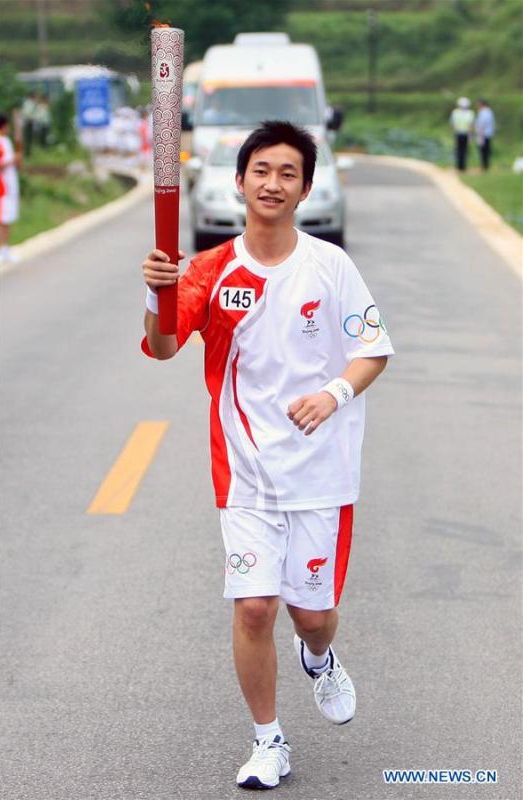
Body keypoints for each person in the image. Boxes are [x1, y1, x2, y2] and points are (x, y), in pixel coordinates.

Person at [141, 121, 394, 790]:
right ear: (240, 180)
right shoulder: (211, 269)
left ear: (305, 187)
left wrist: (334, 393)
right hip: (245, 471)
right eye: (261, 170)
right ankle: (267, 741)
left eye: (287, 172)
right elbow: (164, 346)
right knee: (254, 606)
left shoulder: (329, 265)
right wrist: (156, 293)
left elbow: (371, 349)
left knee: (311, 616)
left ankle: (319, 656)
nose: (272, 183)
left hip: (321, 468)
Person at [0, 114, 21, 266]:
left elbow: (15, 163)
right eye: (7, 125)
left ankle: (5, 250)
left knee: (6, 220)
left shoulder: (6, 141)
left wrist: (16, 160)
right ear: (3, 125)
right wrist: (12, 160)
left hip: (9, 186)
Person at [449, 97, 474, 171]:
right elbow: (471, 125)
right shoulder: (470, 113)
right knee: (464, 150)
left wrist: (453, 133)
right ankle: (463, 166)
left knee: (459, 150)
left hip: (458, 133)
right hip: (465, 134)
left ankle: (459, 166)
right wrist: (471, 136)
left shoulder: (455, 112)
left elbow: (452, 124)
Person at [475, 99, 496, 171]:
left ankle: (484, 166)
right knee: (485, 150)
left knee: (484, 151)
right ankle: (485, 165)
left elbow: (482, 124)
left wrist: (480, 134)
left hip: (484, 134)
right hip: (486, 134)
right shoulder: (488, 112)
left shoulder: (485, 112)